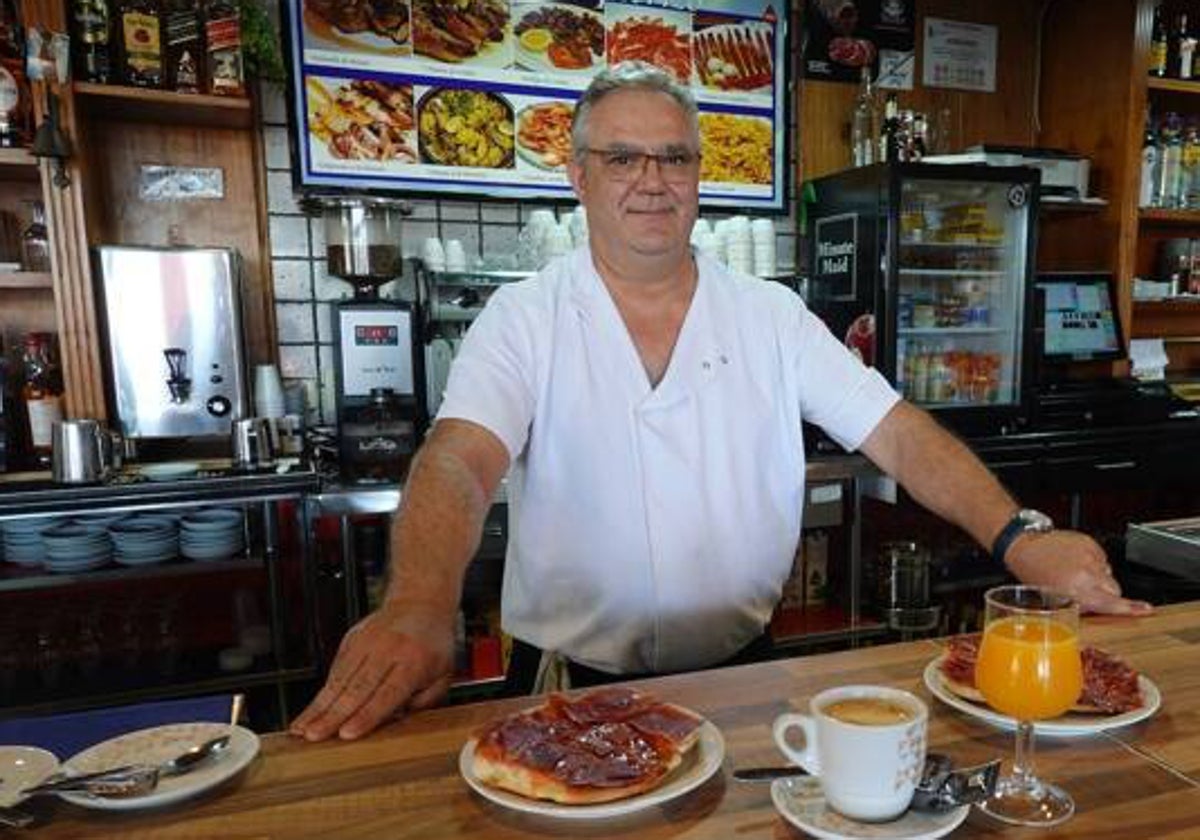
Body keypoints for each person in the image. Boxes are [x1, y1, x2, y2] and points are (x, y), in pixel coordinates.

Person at [291, 62, 1151, 743]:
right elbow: (458, 460)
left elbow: (897, 433)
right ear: (579, 176)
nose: (652, 179)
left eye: (674, 157)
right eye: (623, 156)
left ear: (702, 178)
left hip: (744, 674)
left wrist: (1017, 535)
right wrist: (416, 605)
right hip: (566, 687)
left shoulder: (770, 316)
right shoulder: (525, 316)